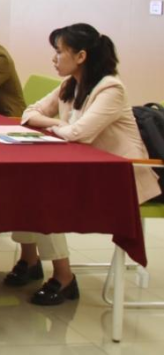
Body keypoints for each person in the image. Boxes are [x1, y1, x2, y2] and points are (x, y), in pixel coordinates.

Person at [9, 23, 161, 306]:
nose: (54, 58)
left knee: (45, 195)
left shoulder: (111, 88)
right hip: (89, 168)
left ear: (81, 56)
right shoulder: (70, 85)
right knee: (28, 183)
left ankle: (64, 277)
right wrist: (59, 123)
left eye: (59, 52)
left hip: (122, 175)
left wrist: (61, 126)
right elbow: (29, 113)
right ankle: (30, 260)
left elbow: (79, 134)